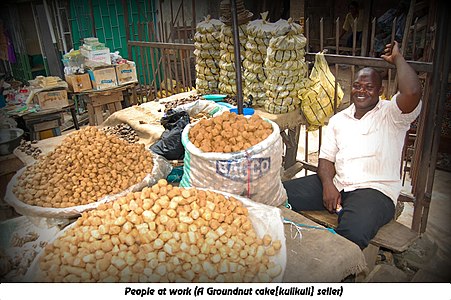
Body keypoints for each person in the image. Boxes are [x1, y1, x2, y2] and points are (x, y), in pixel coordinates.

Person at [283, 41, 422, 249]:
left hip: (375, 191)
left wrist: (398, 59)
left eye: (369, 87)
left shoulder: (391, 114)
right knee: (279, 193)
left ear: (380, 90)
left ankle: (336, 273)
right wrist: (328, 186)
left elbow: (411, 92)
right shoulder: (339, 119)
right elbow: (325, 159)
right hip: (339, 183)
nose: (361, 91)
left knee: (351, 234)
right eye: (357, 85)